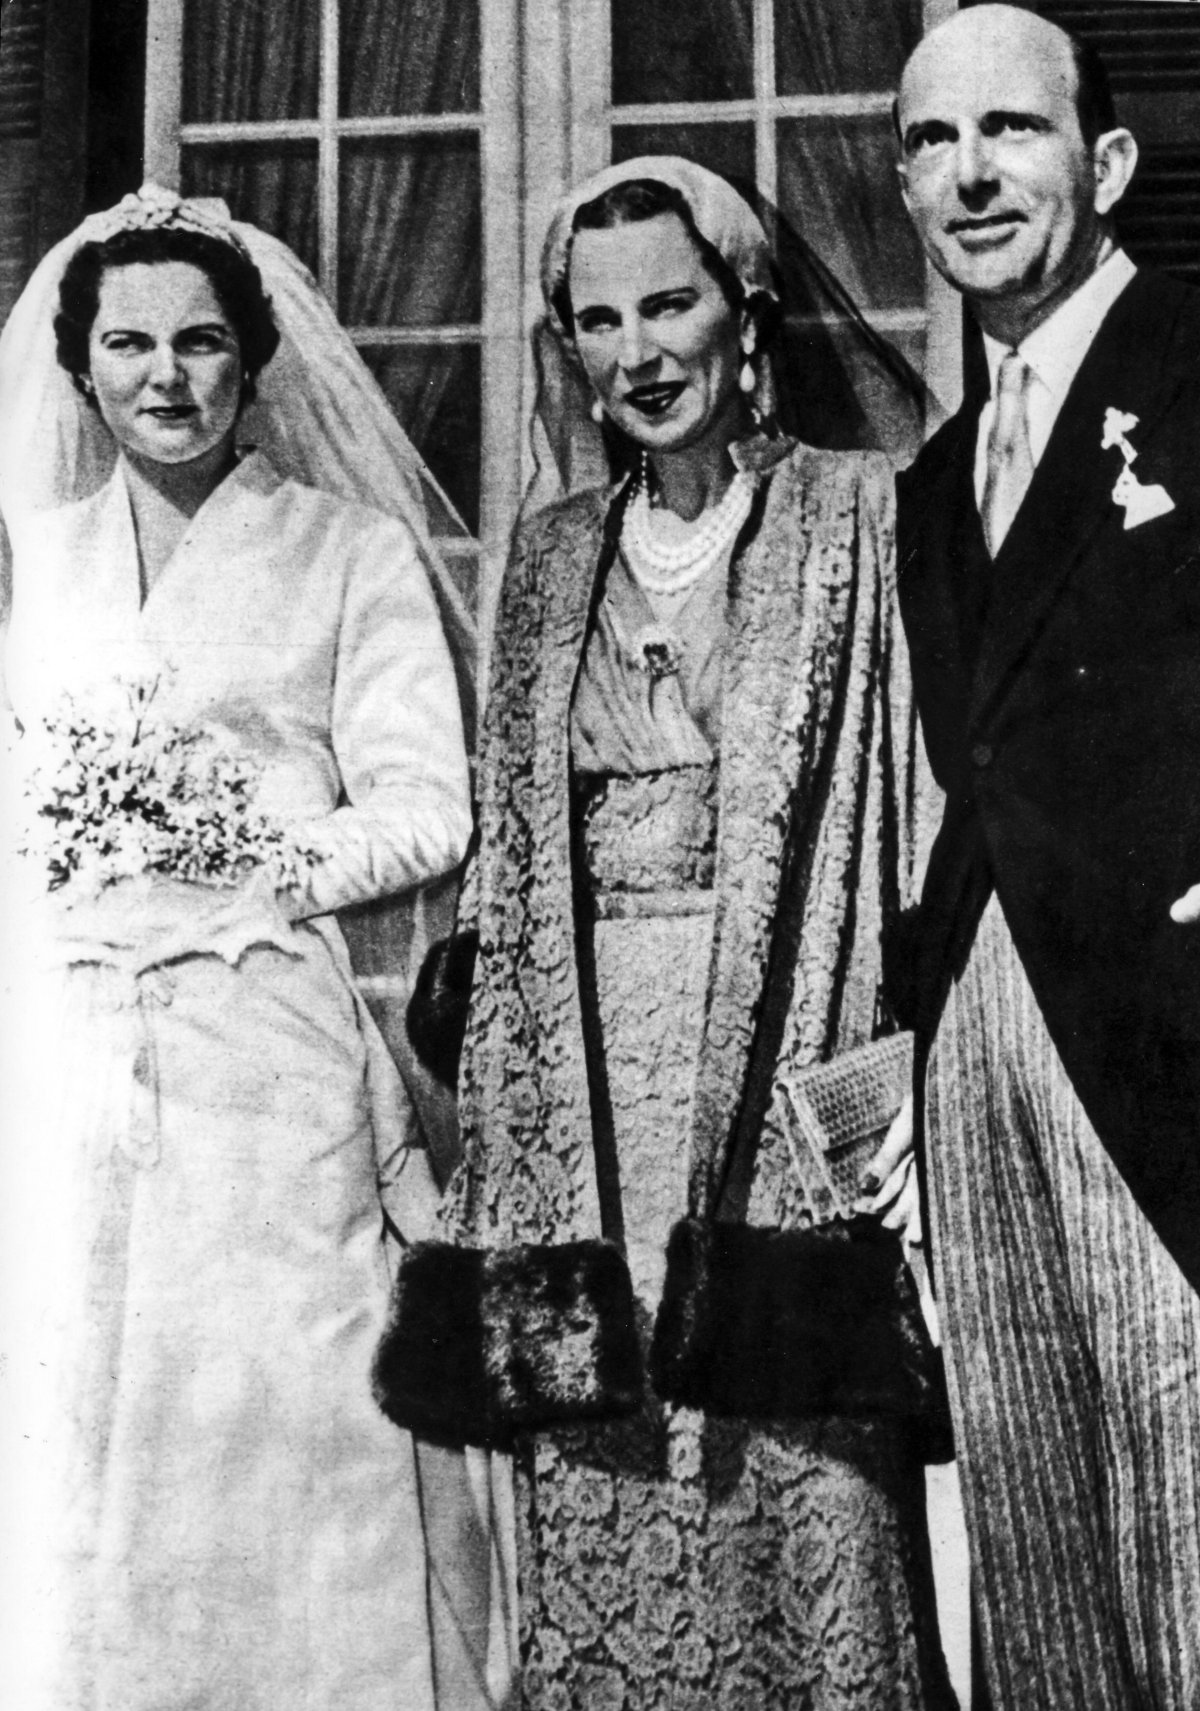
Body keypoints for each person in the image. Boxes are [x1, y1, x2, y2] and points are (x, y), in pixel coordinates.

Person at [393, 157, 954, 1710]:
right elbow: (510, 862)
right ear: (567, 347)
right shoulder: (553, 556)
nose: (638, 351)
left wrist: (891, 1082)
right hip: (582, 1113)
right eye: (599, 319)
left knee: (808, 1498)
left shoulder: (859, 513)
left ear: (743, 306)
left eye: (670, 303)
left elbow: (909, 816)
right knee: (602, 1499)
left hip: (778, 1076)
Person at [0, 187, 472, 1710]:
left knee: (280, 1420)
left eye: (201, 342)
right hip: (68, 1051)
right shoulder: (34, 563)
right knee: (87, 1436)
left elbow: (427, 809)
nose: (166, 377)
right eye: (127, 342)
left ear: (253, 358)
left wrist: (257, 853)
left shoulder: (347, 550)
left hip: (267, 1040)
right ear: (79, 366)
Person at [893, 9, 1200, 1706]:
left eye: (1008, 130)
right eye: (931, 143)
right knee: (1034, 1541)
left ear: (1107, 164)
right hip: (988, 1036)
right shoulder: (940, 479)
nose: (971, 173)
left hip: (1166, 1024)